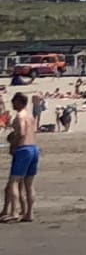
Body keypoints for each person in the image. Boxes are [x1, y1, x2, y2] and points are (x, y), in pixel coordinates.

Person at [2, 92, 39, 223]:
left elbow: (22, 132)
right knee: (29, 184)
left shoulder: (20, 116)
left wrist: (13, 145)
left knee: (14, 182)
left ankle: (14, 212)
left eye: (14, 101)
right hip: (34, 148)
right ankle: (29, 213)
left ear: (19, 102)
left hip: (23, 149)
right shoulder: (30, 115)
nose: (12, 103)